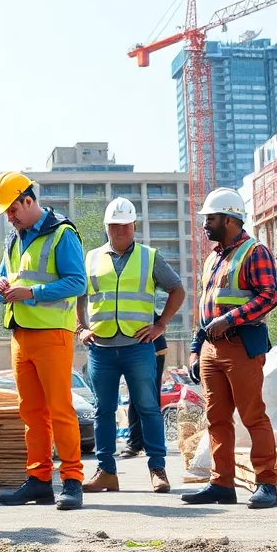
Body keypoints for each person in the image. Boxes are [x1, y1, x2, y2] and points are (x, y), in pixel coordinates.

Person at [0, 172, 88, 510]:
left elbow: (78, 282)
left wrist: (33, 293)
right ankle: (39, 480)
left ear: (28, 201)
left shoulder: (62, 234)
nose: (9, 216)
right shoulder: (14, 239)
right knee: (31, 413)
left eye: (12, 209)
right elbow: (5, 276)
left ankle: (73, 480)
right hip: (20, 335)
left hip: (52, 336)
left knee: (60, 410)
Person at [180, 188, 277, 510]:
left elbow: (269, 296)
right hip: (211, 349)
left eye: (210, 219)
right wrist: (196, 350)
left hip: (240, 345)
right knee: (216, 419)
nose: (205, 225)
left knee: (253, 416)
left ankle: (266, 483)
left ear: (229, 219)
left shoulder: (255, 252)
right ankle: (221, 483)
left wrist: (229, 319)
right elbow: (204, 308)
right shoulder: (213, 258)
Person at [77, 197, 185, 494]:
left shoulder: (150, 257)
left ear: (133, 226)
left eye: (125, 225)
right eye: (114, 226)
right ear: (107, 227)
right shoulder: (91, 257)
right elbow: (80, 294)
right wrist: (80, 327)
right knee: (103, 410)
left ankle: (157, 469)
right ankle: (106, 472)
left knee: (148, 407)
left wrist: (161, 325)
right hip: (101, 348)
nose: (120, 231)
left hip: (138, 346)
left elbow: (177, 289)